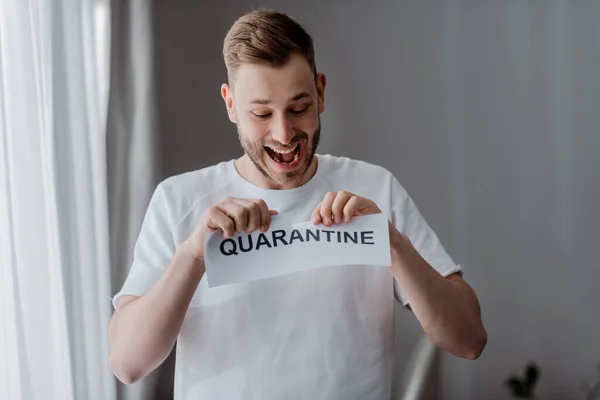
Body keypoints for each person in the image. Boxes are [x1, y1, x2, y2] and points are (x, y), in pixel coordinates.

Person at [108, 9, 487, 399]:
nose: (284, 133)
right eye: (261, 113)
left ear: (321, 93)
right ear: (231, 105)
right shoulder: (179, 200)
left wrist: (390, 243)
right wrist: (191, 257)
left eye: (298, 108)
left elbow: (469, 339)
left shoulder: (375, 188)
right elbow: (127, 363)